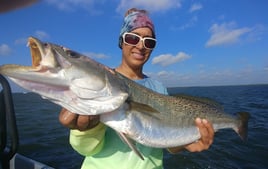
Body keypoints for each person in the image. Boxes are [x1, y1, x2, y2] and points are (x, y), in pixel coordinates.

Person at [59, 8, 215, 169]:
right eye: (133, 38)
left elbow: (166, 141)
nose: (141, 46)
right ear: (122, 41)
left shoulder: (158, 88)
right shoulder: (98, 83)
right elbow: (86, 149)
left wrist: (189, 144)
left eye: (148, 42)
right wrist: (84, 131)